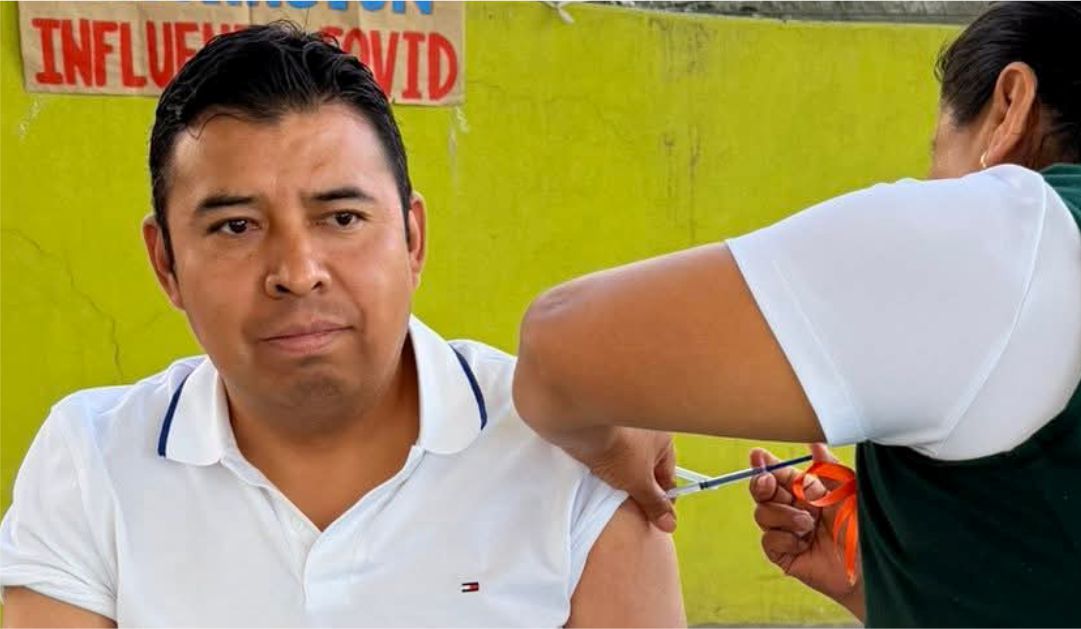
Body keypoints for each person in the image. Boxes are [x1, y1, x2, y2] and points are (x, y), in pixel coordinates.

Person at [512, 2, 1081, 626]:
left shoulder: (1006, 232)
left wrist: (614, 438)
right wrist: (898, 577)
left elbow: (555, 348)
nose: (934, 182)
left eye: (938, 154)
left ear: (1008, 110)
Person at [0, 24, 684, 627]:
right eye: (236, 226)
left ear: (412, 240)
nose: (297, 272)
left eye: (343, 218)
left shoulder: (576, 450)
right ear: (166, 263)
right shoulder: (91, 459)